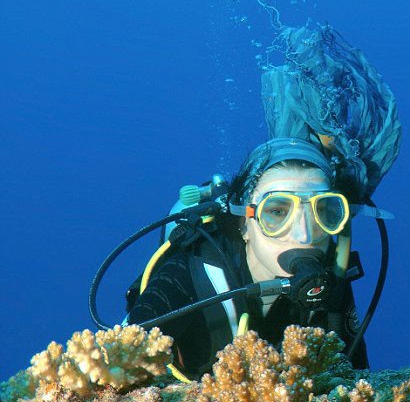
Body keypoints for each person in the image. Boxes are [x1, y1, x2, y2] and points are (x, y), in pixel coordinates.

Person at [127, 136, 370, 375]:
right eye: (277, 211)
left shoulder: (330, 277)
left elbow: (353, 373)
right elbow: (121, 356)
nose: (304, 235)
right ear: (244, 223)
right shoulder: (189, 271)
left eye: (323, 210)